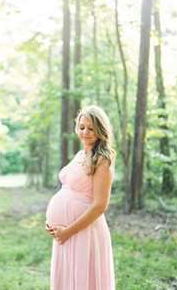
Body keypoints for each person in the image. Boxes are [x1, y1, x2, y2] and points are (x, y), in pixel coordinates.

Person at [45, 105, 116, 290]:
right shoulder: (80, 154)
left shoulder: (102, 160)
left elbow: (100, 205)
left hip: (84, 232)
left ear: (101, 130)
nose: (85, 132)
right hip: (65, 234)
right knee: (68, 280)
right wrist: (54, 224)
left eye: (91, 128)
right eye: (82, 127)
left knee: (83, 281)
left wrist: (68, 231)